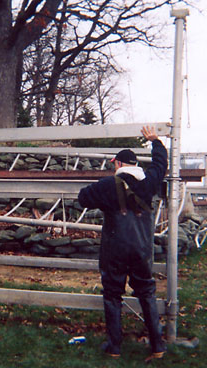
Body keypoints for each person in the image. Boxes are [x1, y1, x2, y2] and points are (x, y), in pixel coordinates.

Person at [78, 126, 168, 361]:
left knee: (112, 295)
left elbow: (83, 198)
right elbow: (161, 164)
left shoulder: (107, 185)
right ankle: (158, 346)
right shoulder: (149, 181)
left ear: (117, 164)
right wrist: (155, 141)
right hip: (141, 249)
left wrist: (102, 187)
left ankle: (114, 347)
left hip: (115, 249)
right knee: (146, 292)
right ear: (135, 164)